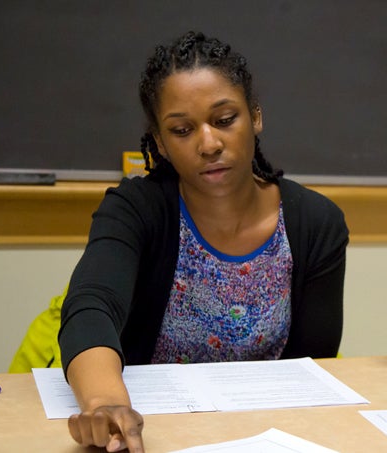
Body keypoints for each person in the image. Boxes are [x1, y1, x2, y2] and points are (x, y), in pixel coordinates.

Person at [59, 31, 349, 452]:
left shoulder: (315, 225)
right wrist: (106, 404)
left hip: (269, 437)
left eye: (225, 119)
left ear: (256, 117)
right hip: (150, 435)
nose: (209, 144)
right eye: (182, 129)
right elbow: (90, 306)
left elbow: (310, 369)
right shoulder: (135, 210)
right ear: (160, 142)